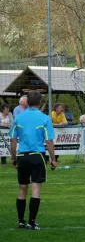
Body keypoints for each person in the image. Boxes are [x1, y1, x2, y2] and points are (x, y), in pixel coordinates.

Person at [9, 90, 57, 230]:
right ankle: (32, 221)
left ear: (27, 102)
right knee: (35, 188)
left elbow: (12, 139)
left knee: (22, 188)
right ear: (40, 102)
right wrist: (53, 159)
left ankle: (20, 221)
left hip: (22, 156)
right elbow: (49, 141)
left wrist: (13, 157)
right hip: (37, 156)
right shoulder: (45, 118)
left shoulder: (19, 118)